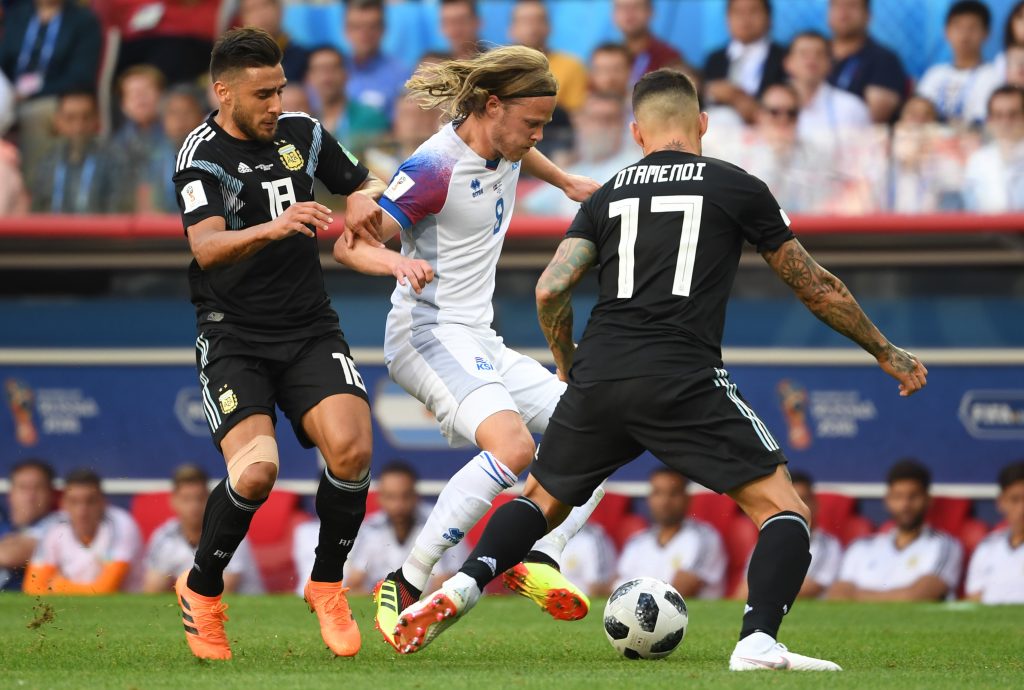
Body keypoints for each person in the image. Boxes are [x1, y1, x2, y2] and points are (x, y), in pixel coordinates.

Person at [395, 68, 928, 670]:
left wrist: (570, 367)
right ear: (702, 124)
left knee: (540, 499)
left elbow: (550, 289)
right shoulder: (737, 186)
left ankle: (461, 585)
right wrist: (886, 351)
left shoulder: (608, 194)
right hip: (682, 376)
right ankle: (757, 641)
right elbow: (816, 286)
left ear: (636, 132)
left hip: (601, 375)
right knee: (784, 509)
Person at [332, 45, 607, 650]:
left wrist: (564, 181)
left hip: (477, 334)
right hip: (426, 332)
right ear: (492, 105)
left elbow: (522, 151)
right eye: (532, 122)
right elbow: (348, 246)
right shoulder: (435, 168)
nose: (538, 135)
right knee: (514, 447)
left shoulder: (505, 141)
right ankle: (406, 580)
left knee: (597, 430)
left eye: (544, 124)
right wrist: (396, 264)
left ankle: (536, 555)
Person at [169, 27, 389, 661]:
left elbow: (367, 183)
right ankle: (201, 589)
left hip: (309, 326)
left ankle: (326, 584)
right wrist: (277, 225)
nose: (275, 104)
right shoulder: (200, 156)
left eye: (280, 90)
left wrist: (364, 201)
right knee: (256, 472)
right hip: (233, 333)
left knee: (352, 450)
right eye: (262, 94)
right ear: (223, 92)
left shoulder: (303, 134)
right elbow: (206, 247)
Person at [294, 462, 468, 595]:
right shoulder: (370, 530)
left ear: (416, 496)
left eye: (405, 496)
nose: (398, 505)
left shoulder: (439, 525)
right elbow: (353, 583)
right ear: (380, 498)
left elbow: (446, 582)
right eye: (391, 497)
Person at [828, 460, 962, 602]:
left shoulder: (944, 545)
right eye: (898, 496)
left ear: (928, 500)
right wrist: (901, 595)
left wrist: (857, 596)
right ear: (887, 500)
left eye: (913, 496)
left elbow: (920, 595)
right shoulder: (861, 546)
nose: (905, 504)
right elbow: (837, 593)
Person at [0, 0, 102, 182]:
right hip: (10, 93)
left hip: (54, 94)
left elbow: (81, 75)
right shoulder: (18, 15)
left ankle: (36, 185)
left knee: (38, 112)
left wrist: (32, 93)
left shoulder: (83, 20)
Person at [143, 465, 263, 595]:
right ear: (173, 501)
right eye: (186, 499)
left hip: (242, 605)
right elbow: (152, 589)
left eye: (200, 498)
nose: (194, 506)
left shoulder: (230, 531)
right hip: (193, 603)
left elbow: (224, 590)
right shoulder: (163, 536)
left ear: (211, 500)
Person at [23, 469, 143, 594]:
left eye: (90, 501)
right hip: (70, 603)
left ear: (103, 503)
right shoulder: (54, 527)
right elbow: (32, 587)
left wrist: (59, 586)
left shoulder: (120, 524)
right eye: (74, 501)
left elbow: (106, 589)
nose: (82, 511)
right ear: (63, 504)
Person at [522, 92, 641, 216]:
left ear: (623, 123)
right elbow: (528, 207)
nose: (601, 127)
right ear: (580, 121)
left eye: (609, 119)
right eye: (594, 119)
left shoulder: (635, 167)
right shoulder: (576, 168)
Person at [614, 469, 726, 599]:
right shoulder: (637, 541)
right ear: (649, 498)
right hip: (639, 609)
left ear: (687, 498)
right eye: (658, 493)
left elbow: (680, 591)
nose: (665, 502)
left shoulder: (704, 537)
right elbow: (615, 586)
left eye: (673, 494)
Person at [735, 471, 843, 600]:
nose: (797, 507)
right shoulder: (766, 541)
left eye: (803, 500)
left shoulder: (828, 545)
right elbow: (745, 588)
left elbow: (811, 588)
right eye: (790, 502)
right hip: (771, 605)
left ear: (815, 504)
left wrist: (763, 591)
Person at [31, 90, 127, 213]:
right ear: (57, 121)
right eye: (70, 119)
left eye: (86, 118)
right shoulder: (47, 162)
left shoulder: (113, 160)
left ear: (97, 119)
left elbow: (117, 210)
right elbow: (37, 209)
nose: (78, 127)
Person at [703, 0, 788, 125]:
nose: (745, 19)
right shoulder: (715, 59)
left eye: (753, 11)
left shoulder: (784, 58)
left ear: (769, 17)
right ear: (727, 18)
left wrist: (742, 100)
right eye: (738, 12)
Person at [917, 1, 1000, 126]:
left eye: (972, 28)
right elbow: (917, 112)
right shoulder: (934, 74)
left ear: (986, 33)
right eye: (958, 27)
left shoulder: (993, 77)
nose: (964, 35)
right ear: (946, 32)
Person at [826, 0, 909, 124]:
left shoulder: (883, 59)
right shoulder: (815, 54)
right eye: (837, 6)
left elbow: (875, 117)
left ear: (868, 15)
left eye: (851, 6)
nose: (843, 13)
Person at [304, 45, 389, 155]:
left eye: (333, 68)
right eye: (319, 69)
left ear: (346, 74)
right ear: (309, 78)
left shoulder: (370, 118)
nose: (326, 76)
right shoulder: (306, 125)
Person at [785, 31, 871, 140]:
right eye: (803, 54)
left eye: (819, 54)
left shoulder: (852, 107)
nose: (811, 60)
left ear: (830, 64)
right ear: (788, 63)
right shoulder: (772, 106)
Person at [510, 0, 589, 114]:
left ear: (549, 27)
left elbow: (576, 114)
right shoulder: (498, 69)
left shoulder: (572, 66)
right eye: (525, 21)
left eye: (539, 20)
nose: (532, 27)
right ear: (511, 29)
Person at [137, 85, 206, 213]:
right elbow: (145, 204)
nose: (180, 120)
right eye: (173, 113)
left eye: (187, 112)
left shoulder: (212, 155)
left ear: (201, 116)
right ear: (163, 119)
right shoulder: (153, 155)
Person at [966, 461, 1024, 604]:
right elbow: (974, 597)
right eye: (1015, 500)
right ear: (1001, 502)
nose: (1022, 509)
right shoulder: (987, 546)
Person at [344, 0, 408, 128]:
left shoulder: (401, 75)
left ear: (383, 30)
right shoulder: (333, 70)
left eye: (372, 27)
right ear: (346, 30)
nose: (364, 33)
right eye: (357, 27)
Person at [963, 85, 1024, 212]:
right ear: (989, 120)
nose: (1006, 122)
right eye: (998, 115)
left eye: (1013, 115)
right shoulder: (978, 161)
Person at [0, 459, 58, 591]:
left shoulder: (57, 524)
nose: (30, 496)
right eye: (23, 488)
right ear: (11, 494)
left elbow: (11, 556)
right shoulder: (3, 524)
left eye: (38, 488)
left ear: (51, 494)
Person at [612, 0, 696, 88]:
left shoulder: (668, 57)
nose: (628, 14)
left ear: (651, 12)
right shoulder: (606, 58)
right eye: (621, 8)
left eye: (636, 7)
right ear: (613, 15)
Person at [239, 0, 309, 83]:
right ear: (243, 18)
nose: (261, 14)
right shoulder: (235, 60)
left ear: (279, 9)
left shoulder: (303, 58)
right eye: (252, 9)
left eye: (265, 5)